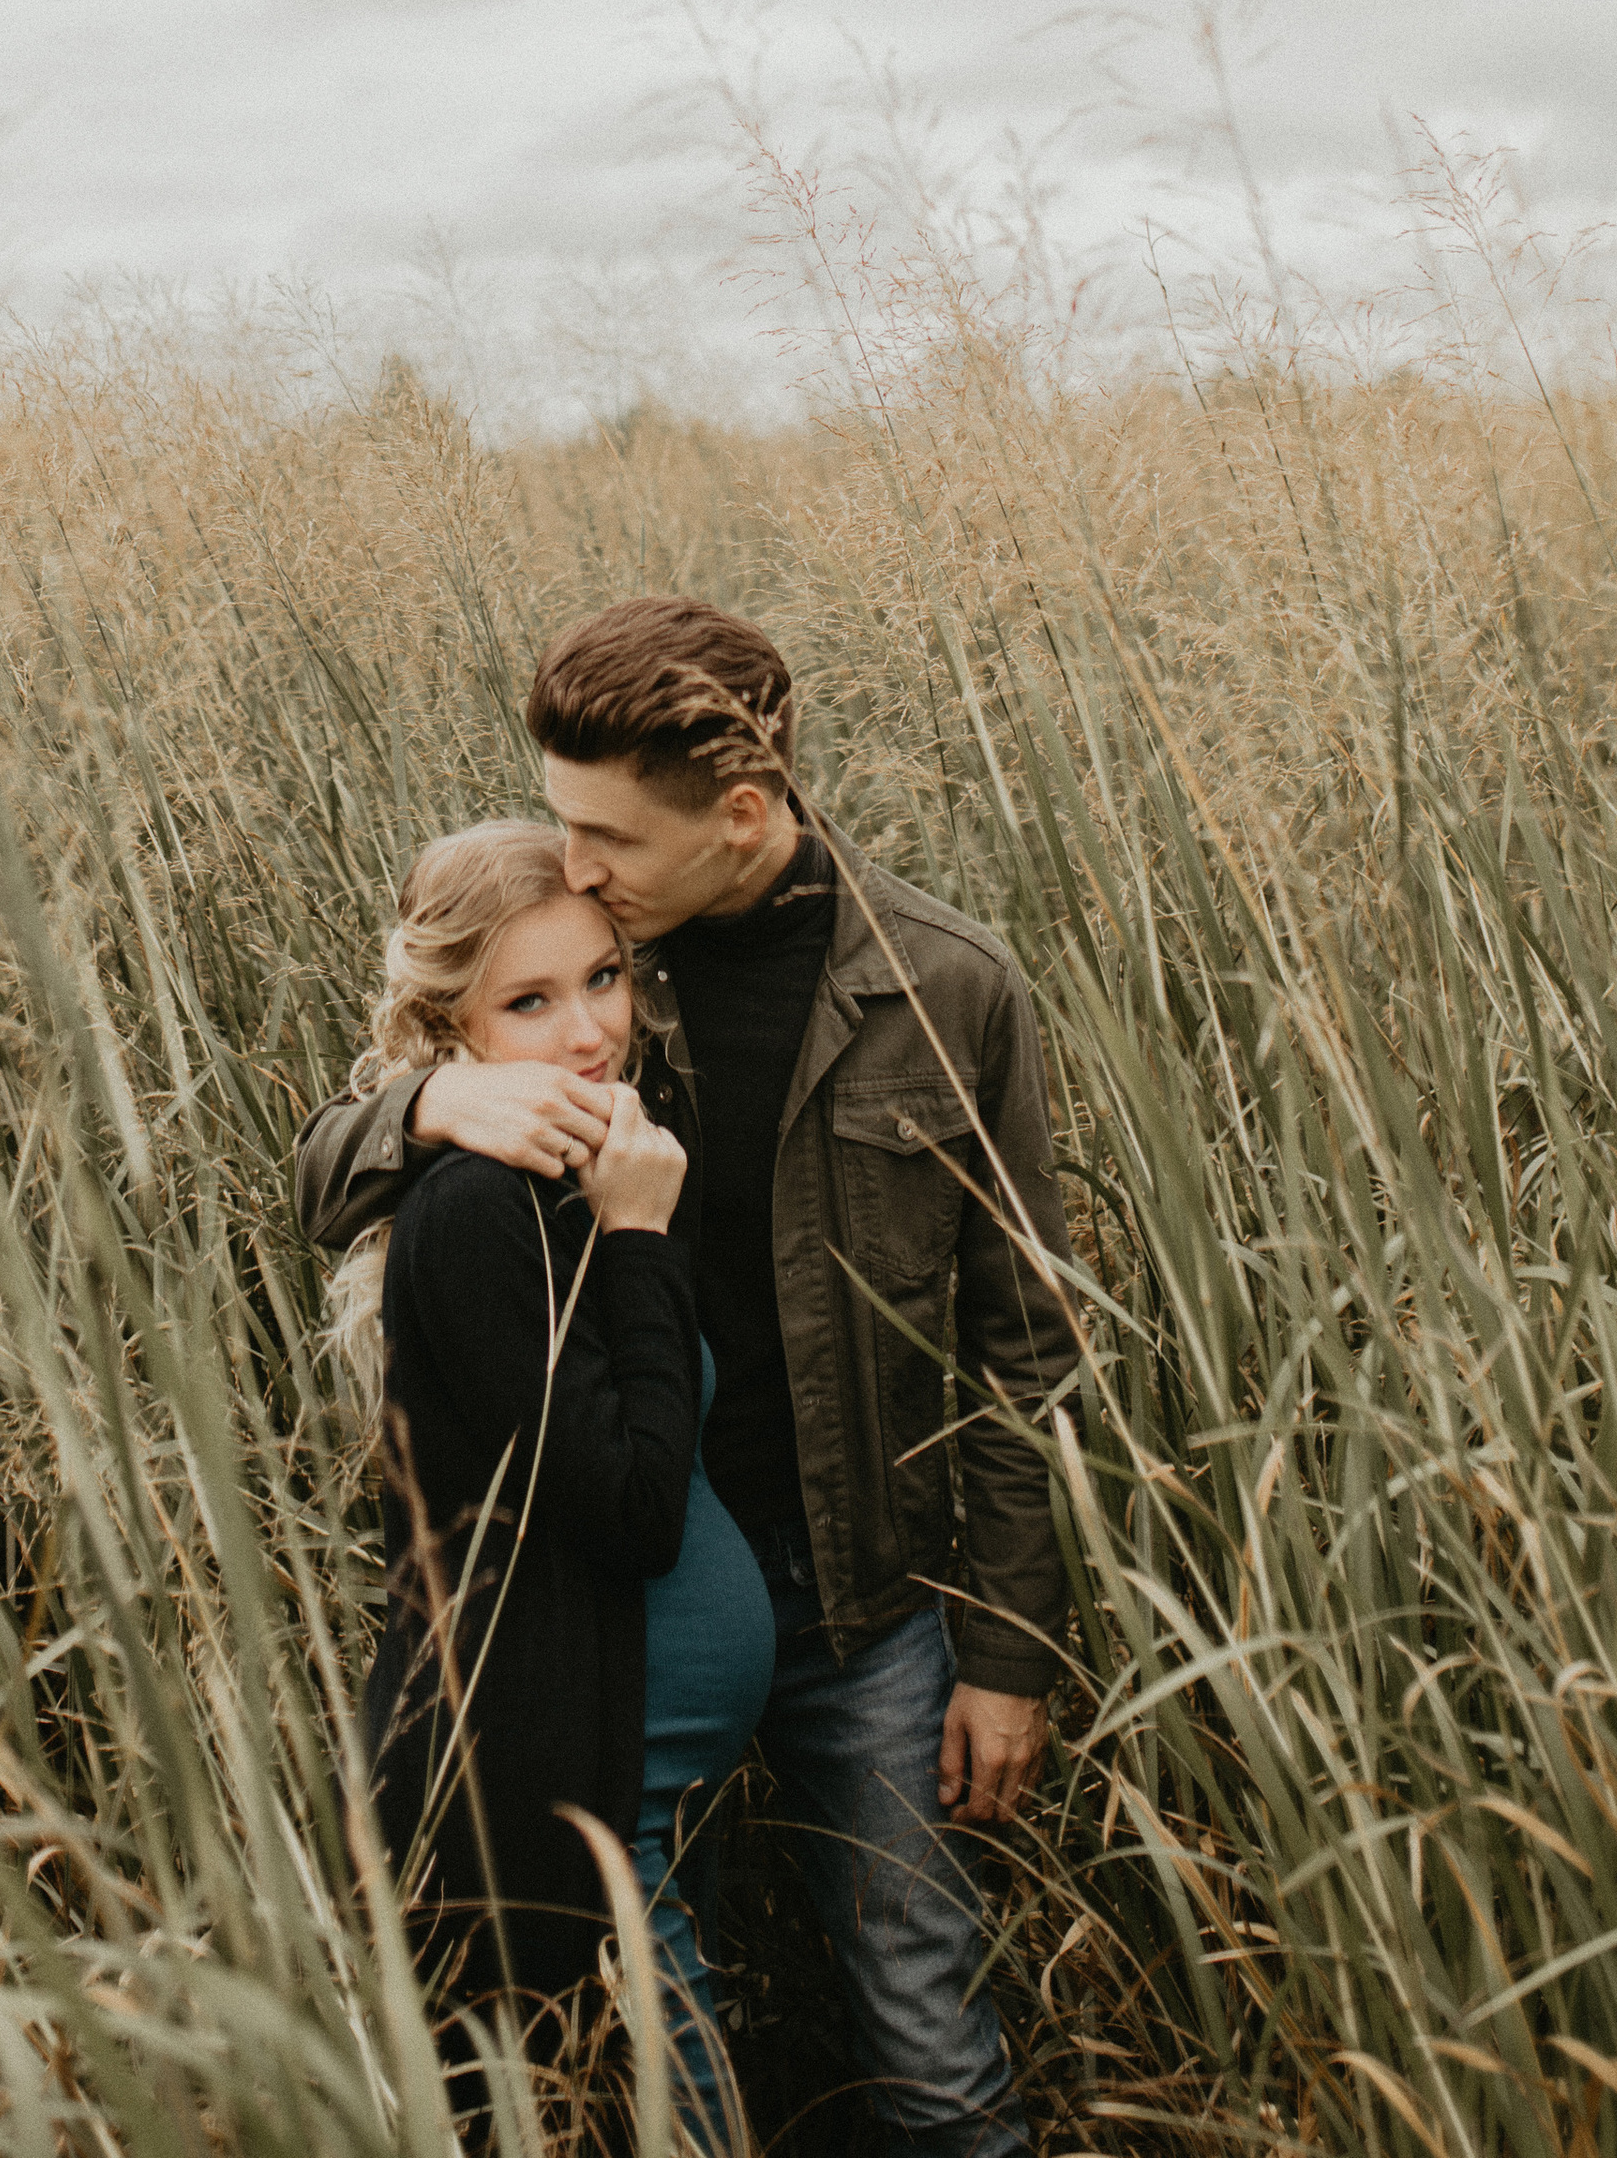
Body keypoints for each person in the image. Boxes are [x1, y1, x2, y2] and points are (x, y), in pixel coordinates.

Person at [299, 602, 1075, 2158]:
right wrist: (435, 1095)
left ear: (741, 814)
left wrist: (1010, 1649)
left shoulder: (947, 987)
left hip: (875, 1605)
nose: (574, 866)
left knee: (923, 2019)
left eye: (606, 837)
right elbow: (328, 1176)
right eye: (563, 827)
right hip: (625, 1605)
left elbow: (1026, 1348)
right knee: (657, 2011)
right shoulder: (585, 975)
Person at [332, 817, 773, 2139]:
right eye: (530, 1000)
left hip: (624, 1802)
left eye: (603, 977)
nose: (588, 1031)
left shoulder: (598, 1154)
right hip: (565, 1801)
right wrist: (640, 1243)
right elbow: (632, 1510)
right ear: (449, 1028)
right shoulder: (479, 1209)